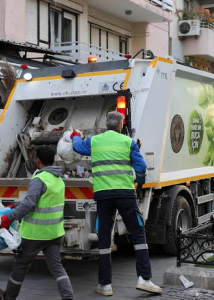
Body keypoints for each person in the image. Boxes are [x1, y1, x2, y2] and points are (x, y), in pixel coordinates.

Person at [71, 111, 162, 296]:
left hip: (103, 196)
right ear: (120, 125)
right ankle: (144, 279)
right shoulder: (128, 142)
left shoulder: (95, 141)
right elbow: (141, 167)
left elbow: (78, 147)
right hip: (125, 195)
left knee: (104, 237)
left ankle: (105, 285)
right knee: (137, 232)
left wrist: (74, 137)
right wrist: (141, 181)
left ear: (107, 125)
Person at [0, 146, 74, 300]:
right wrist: (16, 206)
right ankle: (68, 297)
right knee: (57, 268)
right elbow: (41, 202)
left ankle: (8, 297)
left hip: (35, 235)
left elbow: (30, 204)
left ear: (38, 161)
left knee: (20, 267)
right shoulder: (59, 180)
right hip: (55, 233)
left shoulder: (39, 179)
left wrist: (9, 218)